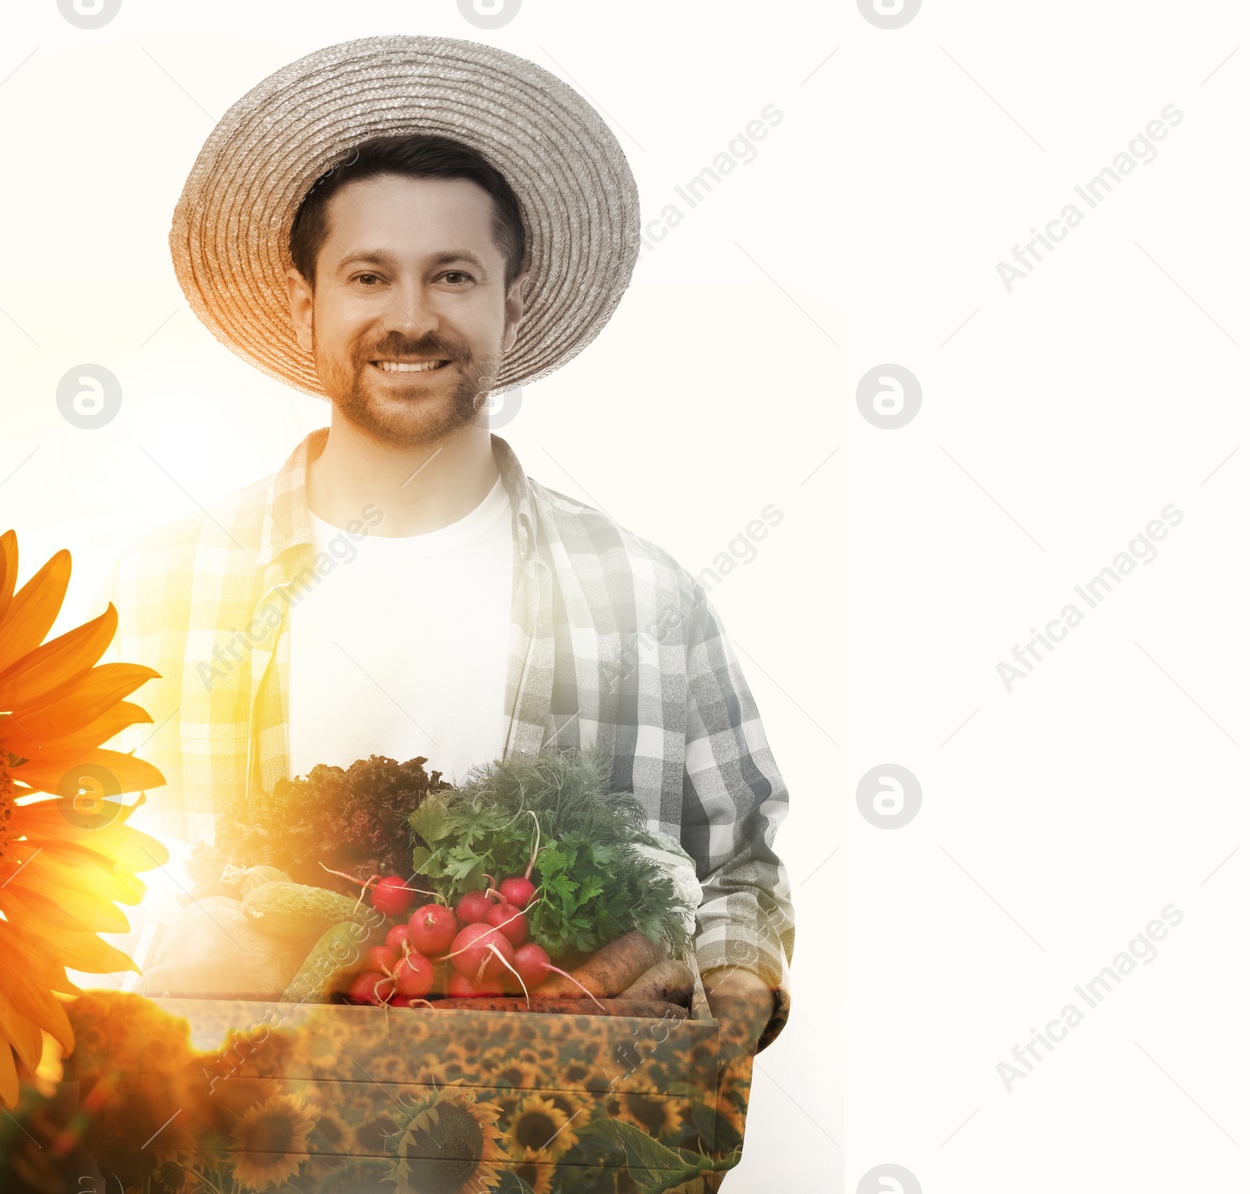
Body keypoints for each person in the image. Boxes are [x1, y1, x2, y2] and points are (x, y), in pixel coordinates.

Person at [96, 35, 794, 1058]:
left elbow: (743, 863)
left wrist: (730, 980)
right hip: (232, 1140)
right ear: (308, 307)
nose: (411, 319)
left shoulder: (646, 598)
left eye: (453, 276)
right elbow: (79, 874)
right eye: (369, 276)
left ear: (511, 304)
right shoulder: (162, 588)